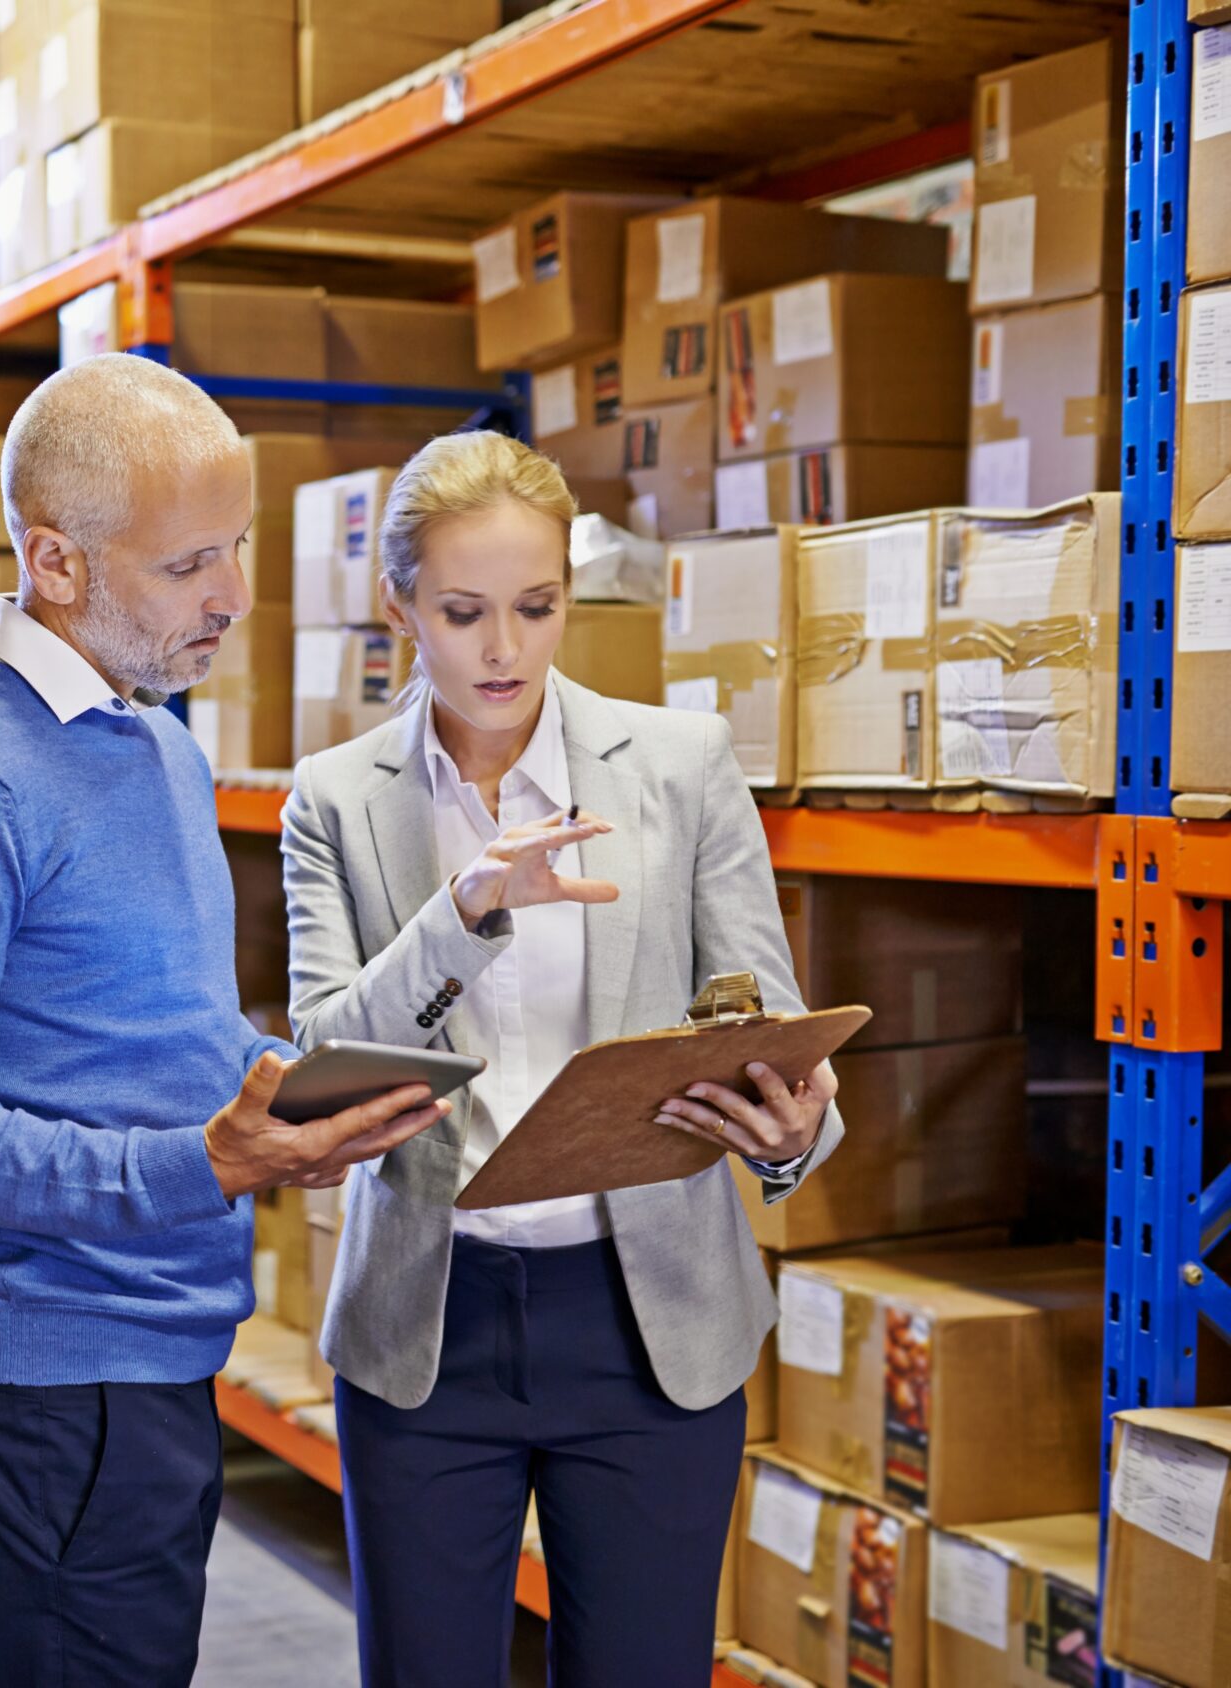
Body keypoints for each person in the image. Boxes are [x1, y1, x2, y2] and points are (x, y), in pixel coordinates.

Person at [0, 354, 448, 1687]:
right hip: (36, 1398)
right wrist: (202, 1166)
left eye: (236, 548)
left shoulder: (150, 736)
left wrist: (287, 1092)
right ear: (56, 561)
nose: (234, 596)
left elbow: (153, 1031)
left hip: (152, 1365)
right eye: (187, 566)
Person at [280, 429, 846, 1686]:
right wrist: (464, 915)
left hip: (650, 1319)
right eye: (463, 611)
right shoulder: (334, 796)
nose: (502, 649)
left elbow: (764, 1015)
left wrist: (795, 1125)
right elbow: (323, 1046)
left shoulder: (682, 766)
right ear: (400, 609)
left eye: (535, 608)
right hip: (430, 1321)